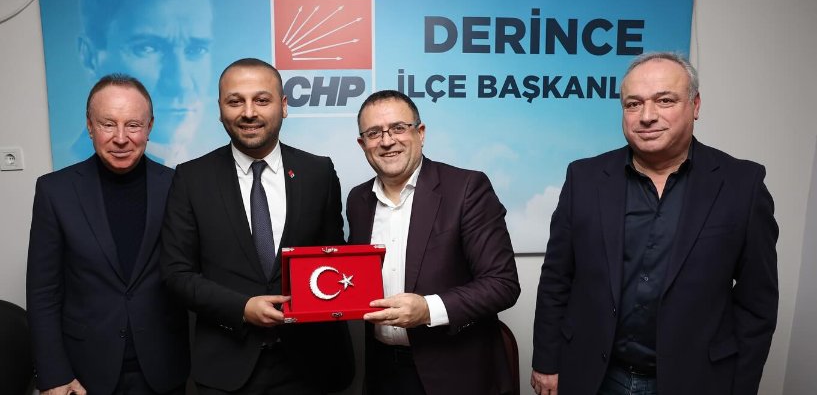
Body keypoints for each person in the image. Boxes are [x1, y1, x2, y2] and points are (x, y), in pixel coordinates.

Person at [531, 52, 779, 395]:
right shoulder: (584, 178)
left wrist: (741, 387)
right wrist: (546, 361)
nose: (647, 116)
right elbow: (556, 279)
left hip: (695, 380)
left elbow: (757, 305)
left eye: (665, 100)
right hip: (595, 375)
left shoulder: (742, 186)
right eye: (633, 104)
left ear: (695, 105)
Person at [160, 58, 354, 394]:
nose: (248, 112)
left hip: (313, 365)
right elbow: (176, 274)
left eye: (262, 100)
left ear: (284, 106)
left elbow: (332, 259)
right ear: (220, 109)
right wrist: (242, 308)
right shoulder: (191, 179)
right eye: (235, 101)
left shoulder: (318, 173)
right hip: (227, 367)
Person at [346, 90, 521, 395]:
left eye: (398, 128)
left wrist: (428, 309)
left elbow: (502, 284)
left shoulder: (466, 188)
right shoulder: (358, 200)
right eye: (374, 133)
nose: (387, 141)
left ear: (421, 133)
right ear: (362, 145)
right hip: (382, 372)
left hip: (455, 372)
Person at [27, 74, 190, 395]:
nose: (121, 138)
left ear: (150, 127)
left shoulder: (177, 186)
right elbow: (43, 292)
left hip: (164, 369)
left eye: (133, 125)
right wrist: (53, 374)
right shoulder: (55, 191)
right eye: (107, 124)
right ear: (89, 126)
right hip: (83, 374)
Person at [74, 0, 213, 166]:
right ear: (90, 57)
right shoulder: (66, 175)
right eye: (147, 48)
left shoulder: (208, 170)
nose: (180, 83)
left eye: (196, 50)